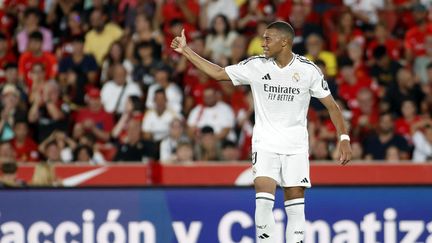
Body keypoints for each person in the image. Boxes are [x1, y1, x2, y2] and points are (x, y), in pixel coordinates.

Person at [171, 21, 352, 243]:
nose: (262, 43)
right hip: (265, 144)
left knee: (295, 205)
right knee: (263, 199)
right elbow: (218, 73)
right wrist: (186, 51)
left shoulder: (308, 70)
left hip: (295, 147)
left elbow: (332, 106)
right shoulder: (256, 66)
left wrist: (343, 138)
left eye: (268, 39)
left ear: (284, 41)